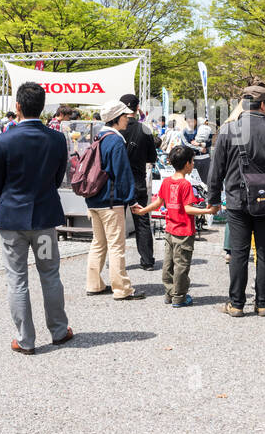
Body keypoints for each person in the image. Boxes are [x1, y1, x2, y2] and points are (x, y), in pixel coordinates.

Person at [0, 82, 73, 354]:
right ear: (43, 106)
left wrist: (10, 200)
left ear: (17, 106)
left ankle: (25, 340)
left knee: (16, 277)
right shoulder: (56, 138)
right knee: (50, 274)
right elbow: (59, 174)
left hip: (13, 220)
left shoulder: (4, 139)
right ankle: (59, 331)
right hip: (44, 220)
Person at [207, 84, 265, 317]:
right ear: (263, 105)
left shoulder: (228, 130)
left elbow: (216, 170)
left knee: (239, 253)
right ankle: (263, 303)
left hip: (236, 200)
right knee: (264, 251)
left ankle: (236, 304)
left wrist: (213, 199)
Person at [133, 145, 214, 307]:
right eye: (192, 162)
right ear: (186, 164)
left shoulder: (167, 181)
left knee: (168, 264)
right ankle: (179, 297)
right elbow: (188, 209)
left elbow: (157, 203)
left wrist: (143, 211)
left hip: (170, 230)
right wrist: (207, 210)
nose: (193, 164)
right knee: (182, 265)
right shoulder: (185, 184)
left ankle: (169, 292)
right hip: (184, 231)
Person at [84, 100, 139, 300]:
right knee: (116, 245)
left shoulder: (98, 137)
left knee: (98, 243)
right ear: (116, 118)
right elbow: (122, 173)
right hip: (111, 200)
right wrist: (132, 200)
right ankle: (122, 289)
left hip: (93, 199)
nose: (127, 119)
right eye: (124, 116)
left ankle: (94, 284)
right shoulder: (115, 141)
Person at [119, 93, 159, 271]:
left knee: (116, 224)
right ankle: (147, 260)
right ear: (137, 108)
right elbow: (152, 157)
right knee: (142, 221)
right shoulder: (145, 130)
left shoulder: (115, 127)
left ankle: (115, 261)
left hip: (118, 182)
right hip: (138, 181)